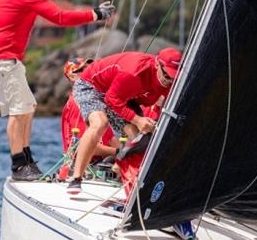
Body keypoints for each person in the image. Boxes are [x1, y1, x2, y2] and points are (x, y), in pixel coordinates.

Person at [0, 0, 116, 181]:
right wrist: (96, 15)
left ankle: (27, 160)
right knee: (19, 110)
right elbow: (60, 17)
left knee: (28, 107)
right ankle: (19, 166)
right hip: (2, 59)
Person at [67, 48, 182, 195]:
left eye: (173, 77)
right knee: (100, 123)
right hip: (92, 86)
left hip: (124, 95)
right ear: (157, 64)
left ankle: (134, 189)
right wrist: (138, 119)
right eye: (166, 75)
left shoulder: (169, 82)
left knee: (139, 138)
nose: (168, 80)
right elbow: (111, 99)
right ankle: (76, 179)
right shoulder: (133, 71)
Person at [61, 58, 117, 161]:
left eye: (90, 68)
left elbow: (110, 138)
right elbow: (85, 145)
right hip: (86, 167)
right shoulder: (77, 102)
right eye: (83, 70)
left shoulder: (93, 101)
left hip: (102, 162)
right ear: (72, 77)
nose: (90, 72)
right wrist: (120, 152)